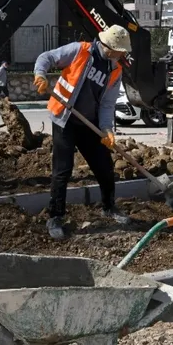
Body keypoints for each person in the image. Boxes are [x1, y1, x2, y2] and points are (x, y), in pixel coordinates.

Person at [33, 25, 132, 239]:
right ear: (109, 46)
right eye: (120, 50)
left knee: (105, 167)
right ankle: (55, 216)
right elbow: (46, 57)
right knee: (63, 170)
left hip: (89, 123)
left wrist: (107, 130)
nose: (123, 54)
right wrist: (40, 75)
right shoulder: (80, 50)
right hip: (65, 119)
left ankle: (109, 207)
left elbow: (107, 104)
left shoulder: (114, 70)